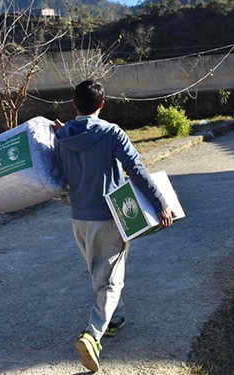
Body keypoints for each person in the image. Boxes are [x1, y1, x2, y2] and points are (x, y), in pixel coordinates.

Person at [53, 80, 176, 372]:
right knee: (111, 280)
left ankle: (115, 320)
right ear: (102, 104)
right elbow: (135, 168)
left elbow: (58, 175)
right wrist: (160, 202)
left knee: (101, 272)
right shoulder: (111, 133)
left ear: (74, 104)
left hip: (78, 218)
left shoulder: (61, 137)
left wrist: (64, 133)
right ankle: (92, 336)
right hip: (109, 216)